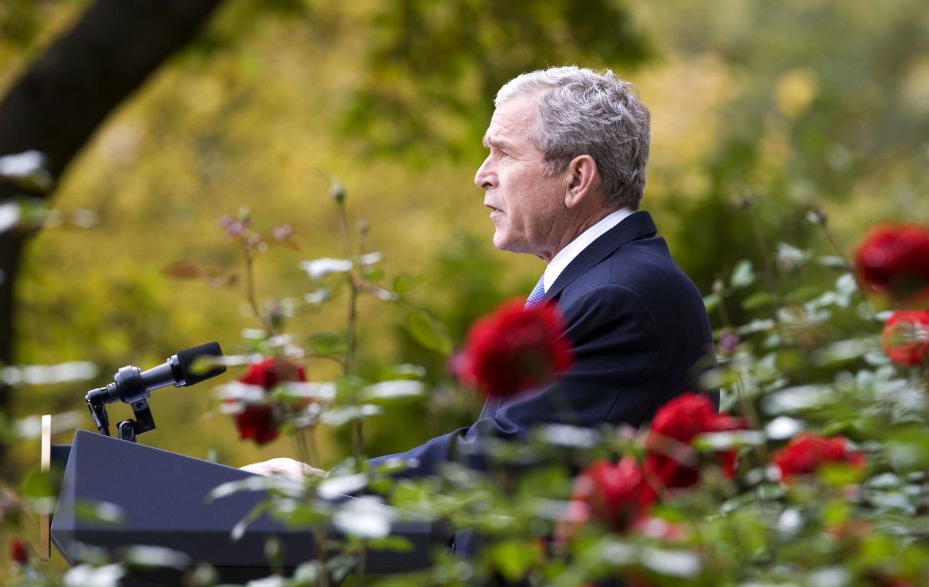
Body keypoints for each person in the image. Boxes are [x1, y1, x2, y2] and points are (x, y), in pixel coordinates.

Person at [247, 66, 715, 480]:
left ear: (576, 178)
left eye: (503, 154)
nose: (481, 174)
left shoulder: (620, 295)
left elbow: (506, 456)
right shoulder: (606, 281)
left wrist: (332, 488)